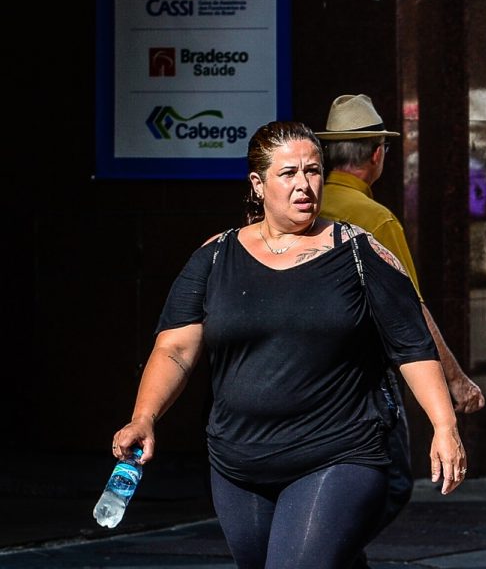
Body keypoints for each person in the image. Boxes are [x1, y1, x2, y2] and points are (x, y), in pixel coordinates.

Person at [109, 120, 467, 569]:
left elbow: (412, 348)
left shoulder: (359, 252)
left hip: (339, 454)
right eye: (288, 173)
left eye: (313, 171)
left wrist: (444, 425)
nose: (304, 185)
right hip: (239, 464)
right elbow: (175, 349)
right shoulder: (215, 256)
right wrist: (144, 416)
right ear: (258, 184)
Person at [314, 94, 485, 566]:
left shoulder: (300, 205)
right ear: (376, 155)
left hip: (310, 373)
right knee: (389, 483)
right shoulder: (375, 217)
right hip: (364, 377)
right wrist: (453, 379)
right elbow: (412, 308)